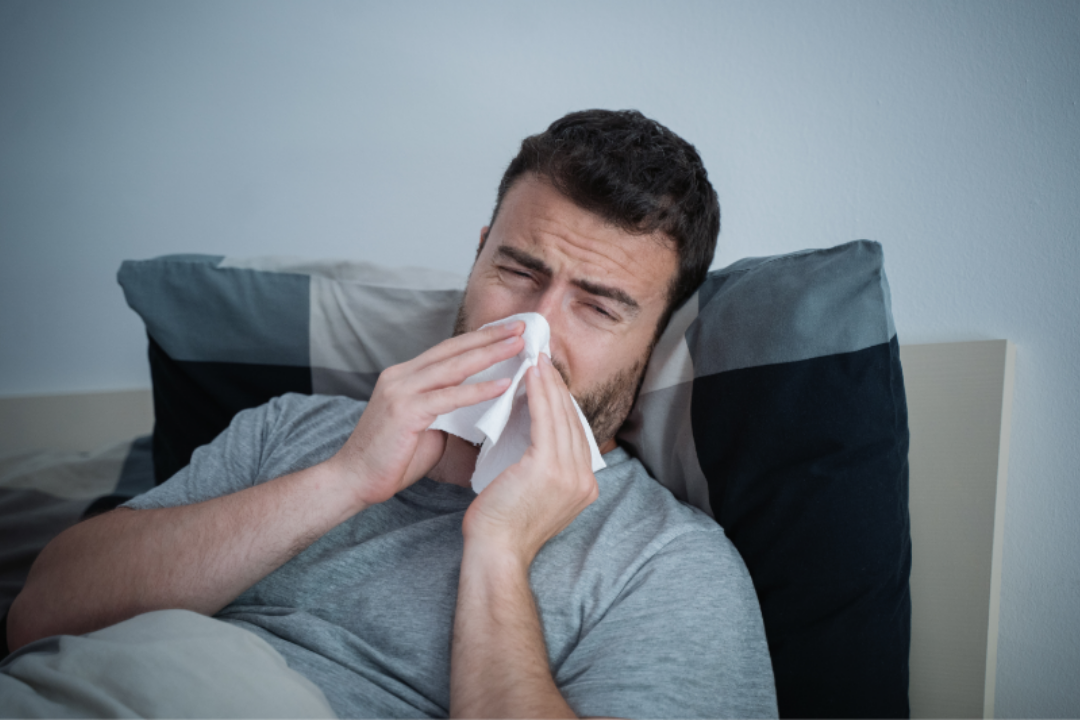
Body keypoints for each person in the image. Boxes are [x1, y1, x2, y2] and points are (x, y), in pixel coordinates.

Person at [5, 110, 777, 718]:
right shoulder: (292, 428)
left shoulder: (669, 564)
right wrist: (345, 478)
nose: (532, 328)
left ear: (656, 338)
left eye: (598, 305)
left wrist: (500, 550)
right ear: (477, 259)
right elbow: (40, 616)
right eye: (518, 270)